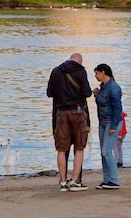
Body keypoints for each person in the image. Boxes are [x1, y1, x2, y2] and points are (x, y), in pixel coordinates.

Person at [46, 52, 93, 192]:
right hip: (78, 111)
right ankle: (75, 181)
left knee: (61, 149)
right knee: (79, 147)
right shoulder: (81, 71)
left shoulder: (56, 71)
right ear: (80, 61)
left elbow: (49, 93)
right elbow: (87, 92)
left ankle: (62, 182)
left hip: (61, 112)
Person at [92, 63, 122, 189]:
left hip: (111, 122)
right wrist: (96, 94)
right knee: (103, 152)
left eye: (97, 73)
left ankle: (114, 180)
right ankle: (106, 179)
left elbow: (117, 108)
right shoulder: (103, 87)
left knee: (106, 151)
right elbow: (103, 103)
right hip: (102, 121)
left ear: (103, 72)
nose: (95, 76)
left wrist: (114, 126)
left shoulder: (113, 87)